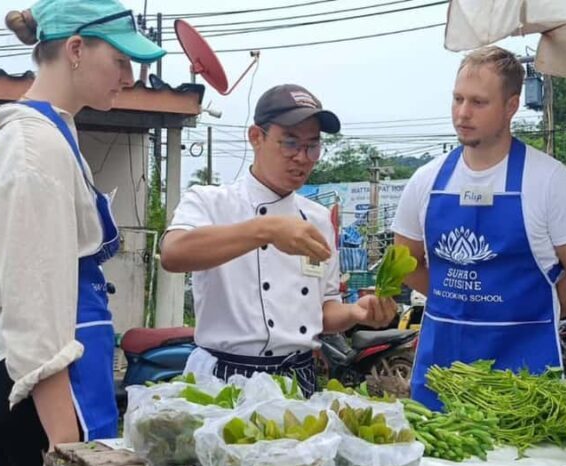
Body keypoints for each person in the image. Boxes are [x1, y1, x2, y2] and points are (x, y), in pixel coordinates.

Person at [0, 2, 165, 466]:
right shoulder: (33, 147)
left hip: (14, 373)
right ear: (77, 50)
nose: (129, 77)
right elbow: (34, 297)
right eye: (121, 61)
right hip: (40, 385)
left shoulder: (32, 131)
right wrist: (66, 449)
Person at [391, 46, 566, 410]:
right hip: (442, 371)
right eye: (458, 99)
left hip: (524, 375)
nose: (462, 113)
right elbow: (404, 262)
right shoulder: (424, 181)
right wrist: (457, 304)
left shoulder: (552, 183)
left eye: (478, 102)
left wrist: (527, 316)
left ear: (511, 107)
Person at [160, 84, 397, 397]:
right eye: (289, 143)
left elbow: (322, 310)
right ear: (256, 137)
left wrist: (357, 313)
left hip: (296, 380)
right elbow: (174, 253)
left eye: (312, 146)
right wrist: (266, 230)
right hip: (223, 380)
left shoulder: (317, 218)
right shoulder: (210, 202)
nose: (302, 158)